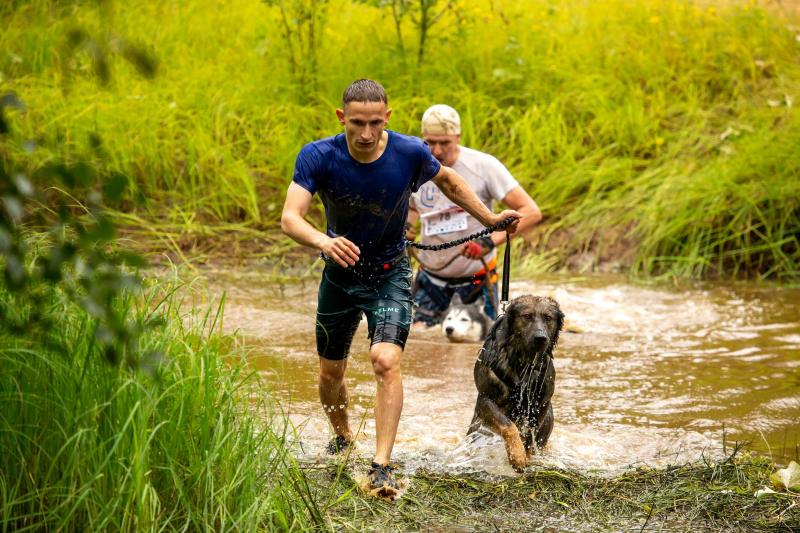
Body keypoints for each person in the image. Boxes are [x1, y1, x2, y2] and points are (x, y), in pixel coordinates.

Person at [280, 80, 522, 492]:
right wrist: (324, 241)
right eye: (357, 123)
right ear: (342, 118)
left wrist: (489, 219)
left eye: (376, 123)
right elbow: (290, 217)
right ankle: (342, 439)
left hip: (389, 274)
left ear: (387, 118)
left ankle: (381, 465)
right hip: (339, 276)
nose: (367, 133)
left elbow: (448, 182)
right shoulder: (318, 155)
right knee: (329, 374)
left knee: (385, 360)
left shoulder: (409, 151)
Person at [407, 104, 541, 326]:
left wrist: (489, 241)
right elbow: (413, 207)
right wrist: (407, 233)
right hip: (430, 279)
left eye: (445, 143)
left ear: (458, 137)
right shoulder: (413, 165)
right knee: (421, 343)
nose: (437, 151)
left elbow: (531, 212)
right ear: (422, 137)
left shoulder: (483, 166)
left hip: (477, 279)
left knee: (476, 348)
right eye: (430, 142)